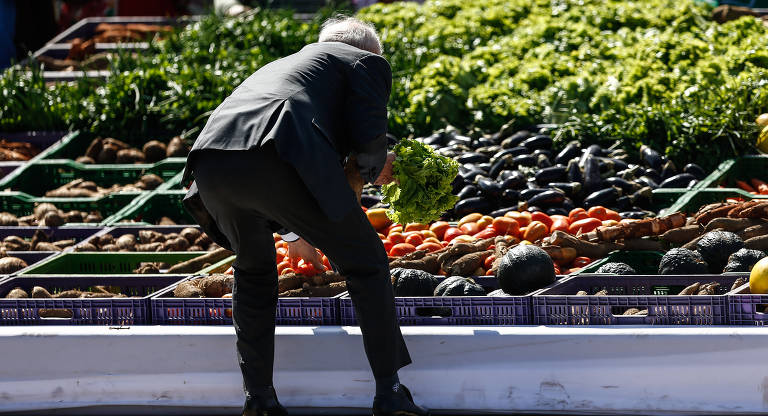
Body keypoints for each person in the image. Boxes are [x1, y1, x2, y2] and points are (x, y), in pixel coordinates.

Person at [182, 16, 429, 416]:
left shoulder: (288, 65)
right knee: (366, 263)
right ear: (369, 50)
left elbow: (273, 151)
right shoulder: (366, 62)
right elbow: (368, 143)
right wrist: (378, 165)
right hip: (277, 155)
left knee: (254, 274)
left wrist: (295, 235)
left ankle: (259, 397)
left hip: (210, 165)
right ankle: (390, 392)